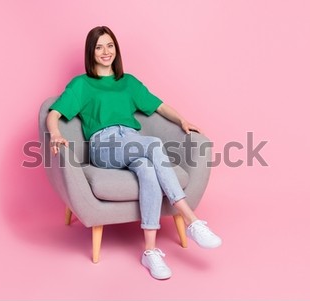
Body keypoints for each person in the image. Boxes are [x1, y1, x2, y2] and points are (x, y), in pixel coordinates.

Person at [46, 26, 221, 280]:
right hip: (103, 145)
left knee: (148, 170)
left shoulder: (128, 82)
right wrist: (56, 134)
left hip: (132, 140)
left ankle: (150, 252)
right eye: (99, 47)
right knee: (153, 145)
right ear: (91, 52)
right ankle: (192, 219)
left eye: (110, 45)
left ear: (116, 49)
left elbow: (159, 106)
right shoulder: (81, 84)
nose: (105, 52)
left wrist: (183, 120)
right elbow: (54, 114)